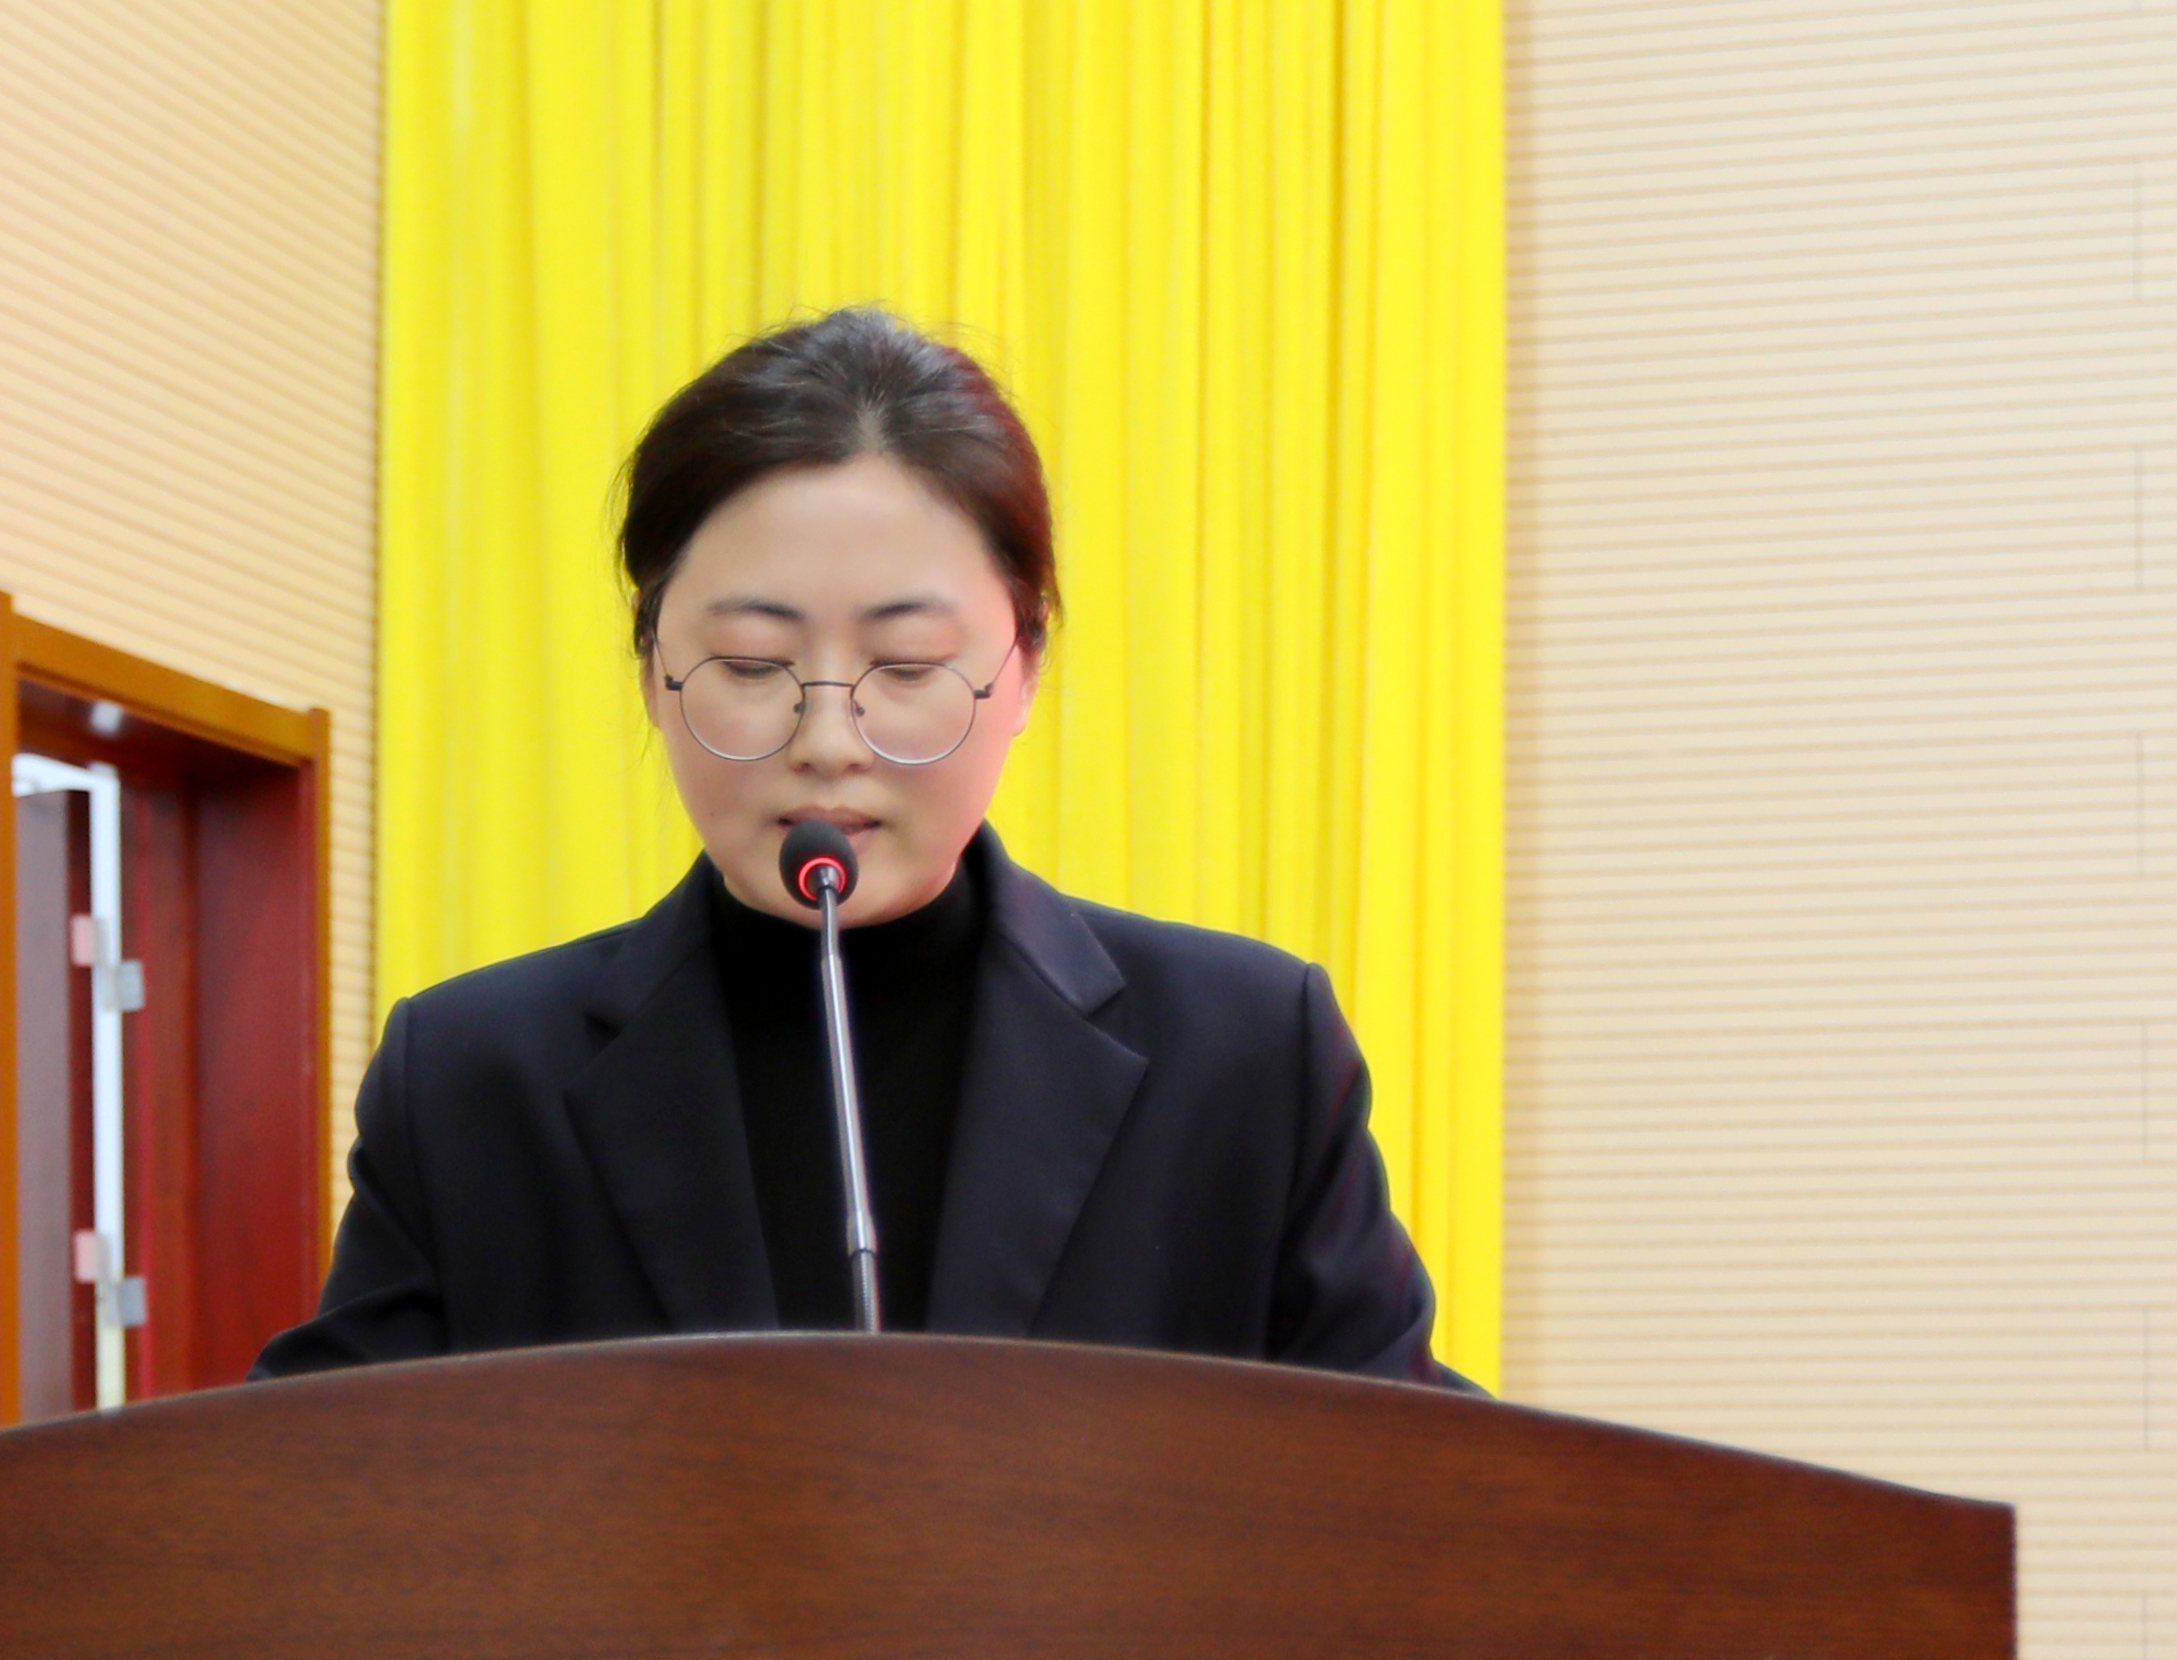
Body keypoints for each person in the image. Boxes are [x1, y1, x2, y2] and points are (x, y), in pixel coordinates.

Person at [255, 306, 1469, 1389]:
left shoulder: (1249, 1055)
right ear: (652, 670)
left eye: (905, 665)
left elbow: (1418, 1490)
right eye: (750, 665)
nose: (828, 740)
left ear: (1025, 667)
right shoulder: (469, 1080)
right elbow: (316, 1496)